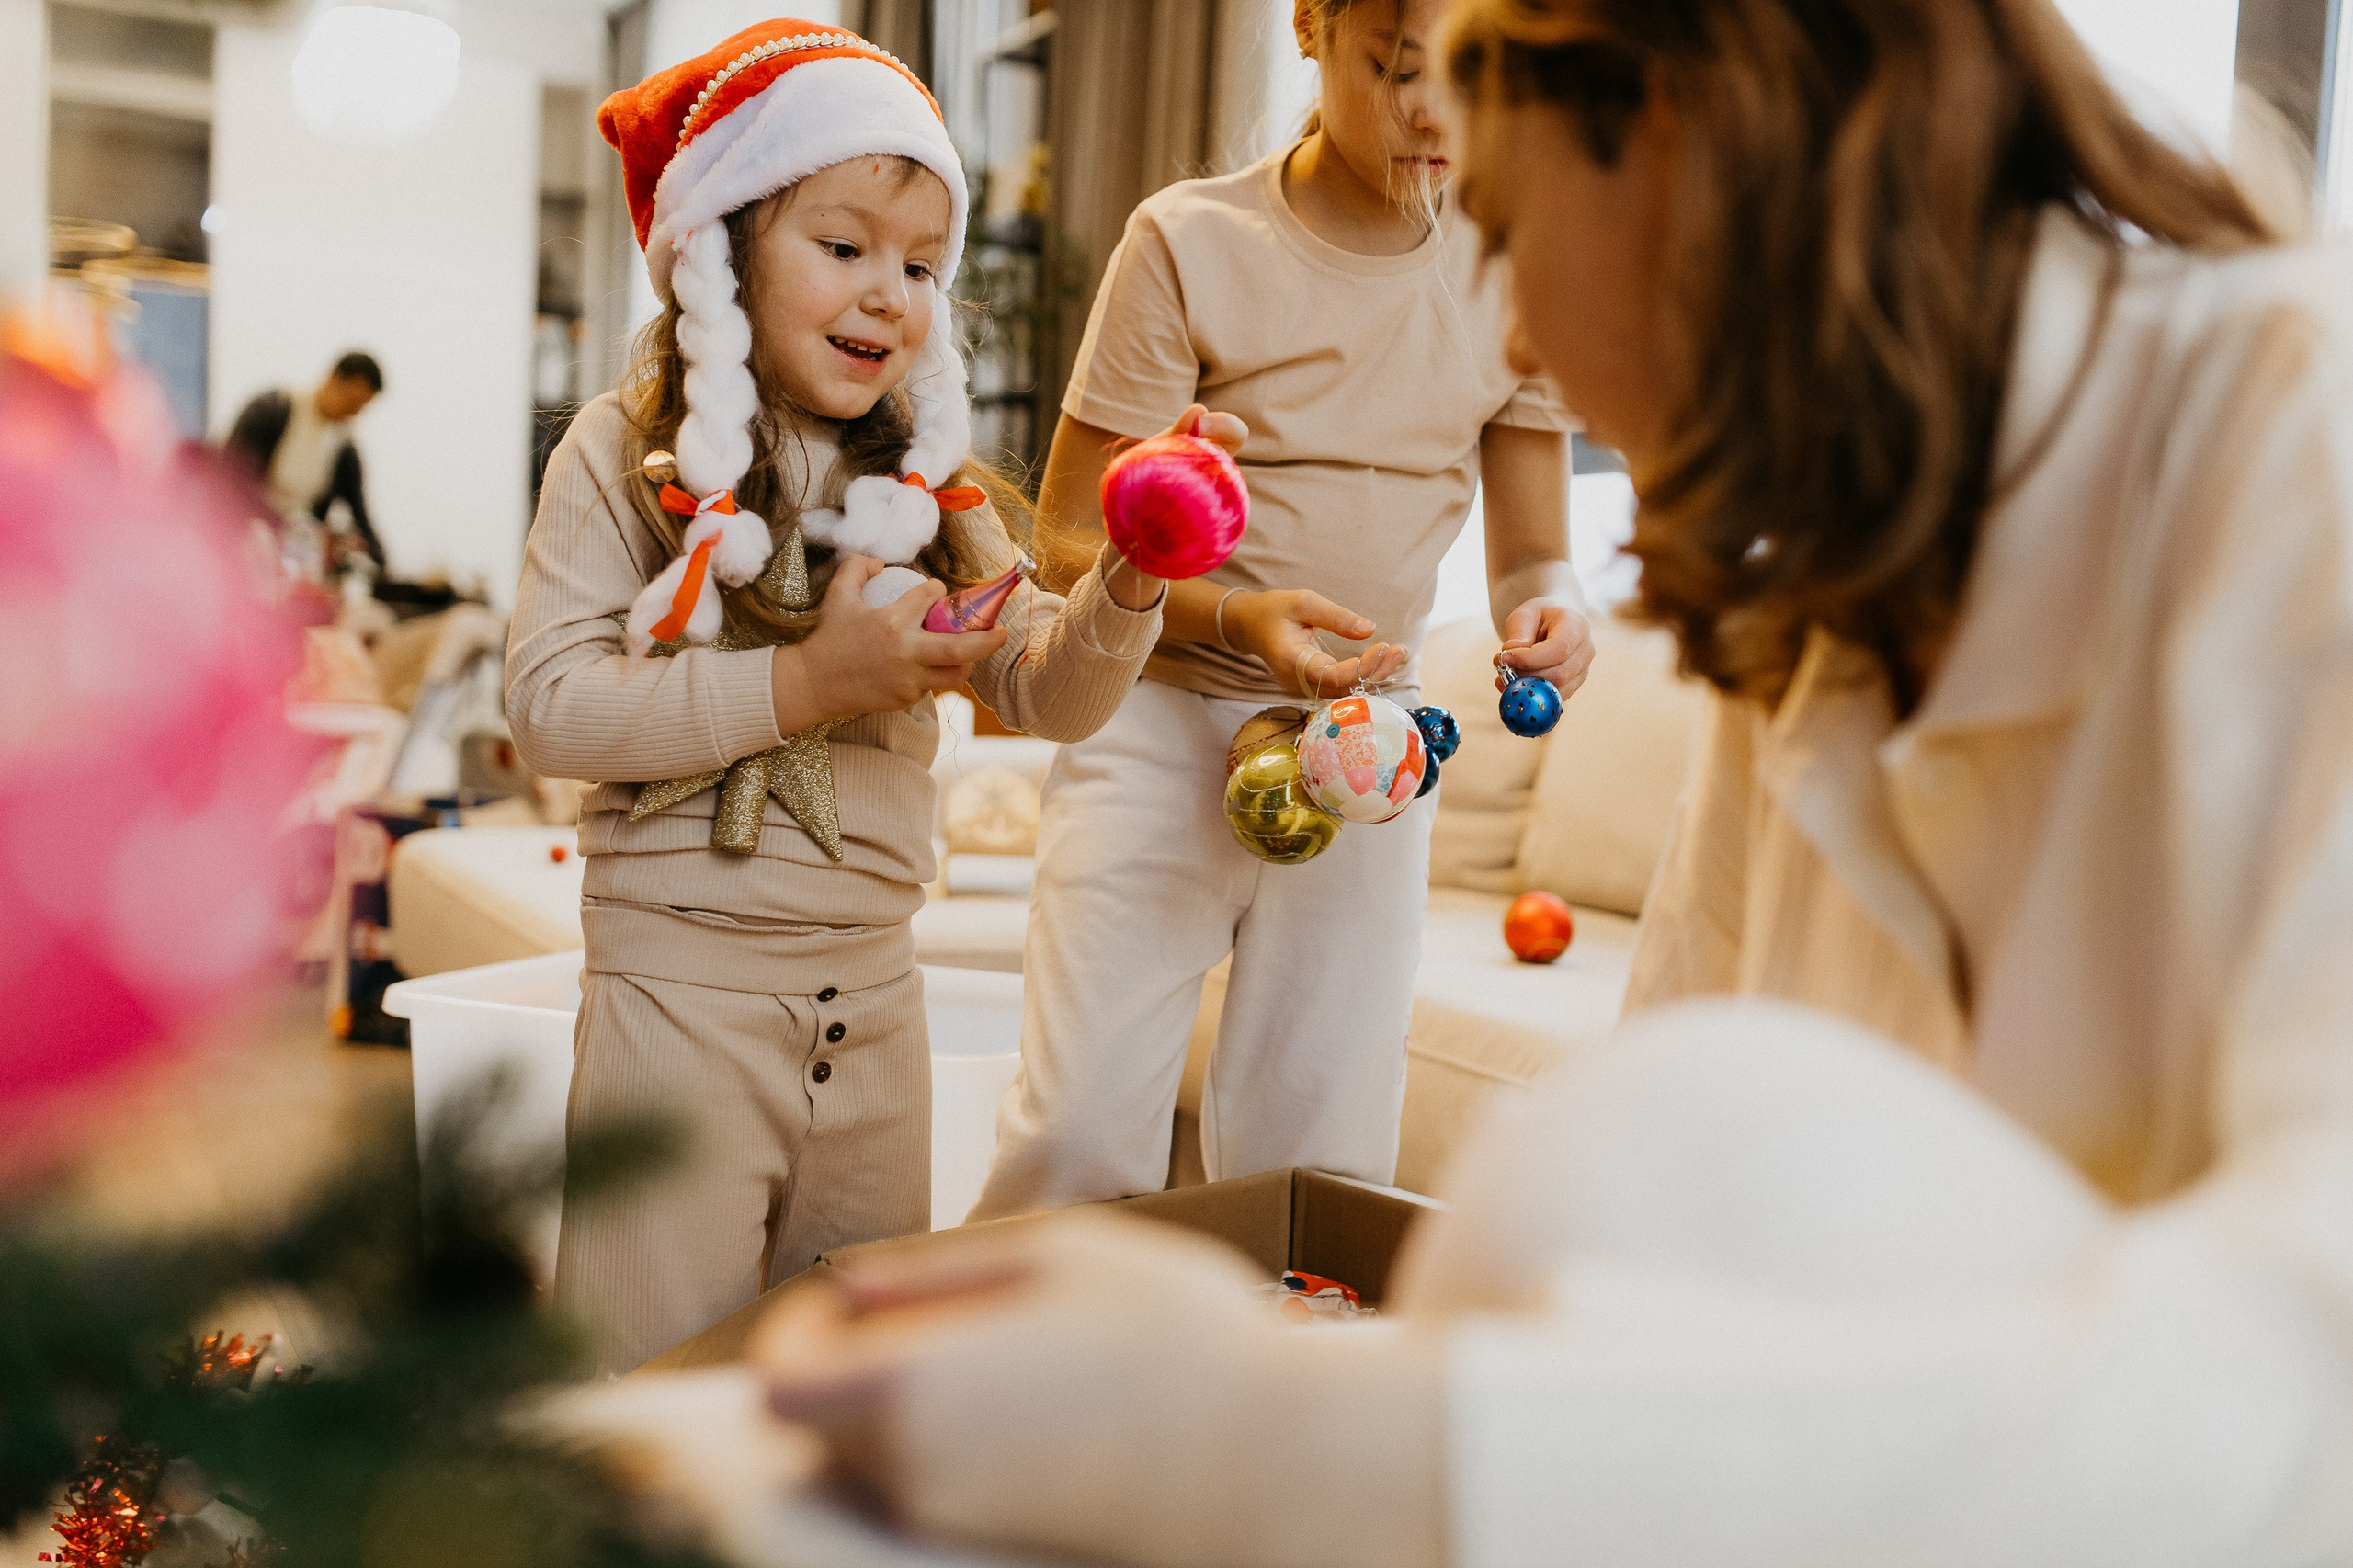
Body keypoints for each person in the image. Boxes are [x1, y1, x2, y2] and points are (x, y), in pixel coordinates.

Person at [751, 0, 2353, 1562]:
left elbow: (2305, 1372)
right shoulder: (1824, 605)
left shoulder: (2300, 461)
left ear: (1663, 130)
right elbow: (1672, 1257)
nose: (1508, 337)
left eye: (1504, 227)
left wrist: (1300, 1448)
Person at [504, 20, 1187, 1374]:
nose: (893, 294)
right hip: (678, 1002)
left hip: (877, 1003)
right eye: (846, 247)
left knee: (847, 1406)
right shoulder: (619, 448)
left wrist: (1135, 574)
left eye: (921, 264)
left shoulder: (930, 484)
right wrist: (809, 680)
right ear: (724, 246)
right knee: (644, 1393)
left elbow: (1048, 694)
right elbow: (550, 706)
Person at [967, 0, 1592, 1222]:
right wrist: (1241, 625)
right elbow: (1072, 535)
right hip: (1154, 723)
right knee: (1080, 1125)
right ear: (1310, 24)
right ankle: (1026, 1395)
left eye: (1465, 77)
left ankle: (1275, 1397)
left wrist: (1555, 612)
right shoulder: (1192, 242)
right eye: (1398, 67)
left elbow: (1535, 558)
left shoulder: (1520, 259)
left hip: (1368, 743)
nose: (1430, 112)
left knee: (1323, 1141)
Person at [223, 350, 386, 572]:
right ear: (332, 379)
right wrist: (291, 526)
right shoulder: (272, 410)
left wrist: (373, 555)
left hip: (299, 557)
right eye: (351, 401)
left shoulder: (344, 450)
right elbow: (228, 477)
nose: (352, 413)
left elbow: (361, 517)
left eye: (360, 408)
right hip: (245, 543)